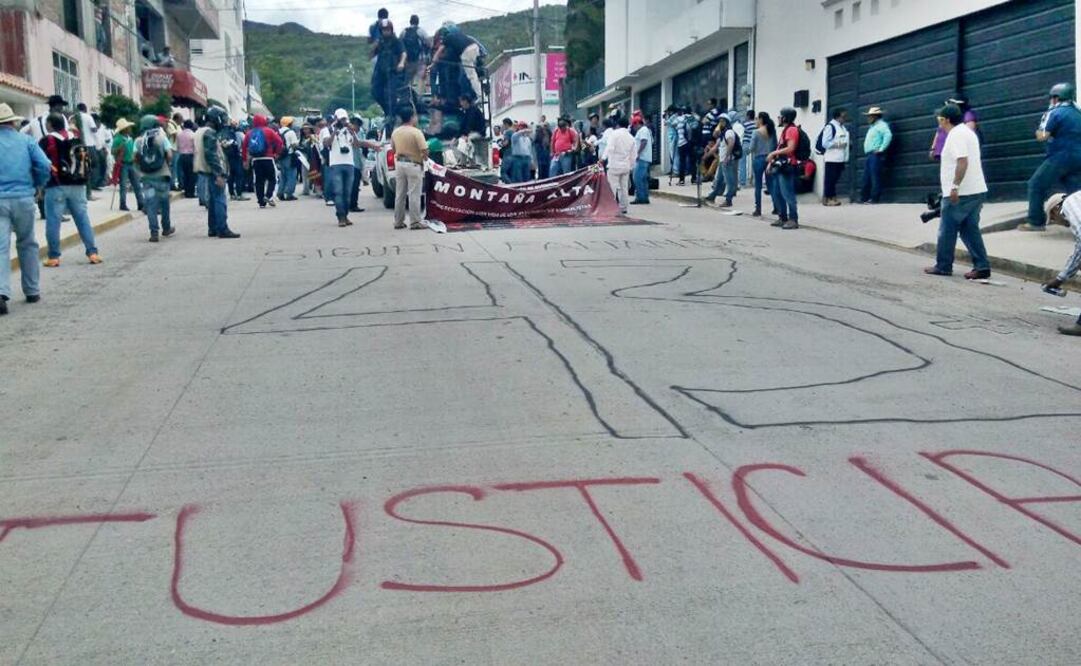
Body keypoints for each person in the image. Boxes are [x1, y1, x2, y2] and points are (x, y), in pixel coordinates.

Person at [923, 104, 991, 280]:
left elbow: (962, 161)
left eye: (940, 119)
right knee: (969, 230)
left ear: (945, 120)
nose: (938, 122)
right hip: (976, 190)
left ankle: (943, 265)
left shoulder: (955, 135)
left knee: (947, 229)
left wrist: (954, 186)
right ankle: (982, 266)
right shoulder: (967, 133)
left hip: (961, 193)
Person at [0, 103, 50, 315]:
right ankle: (32, 290)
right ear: (13, 122)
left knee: (0, 247)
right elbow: (45, 165)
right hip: (24, 197)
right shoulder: (26, 141)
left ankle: (1, 293)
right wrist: (38, 185)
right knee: (27, 243)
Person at [39, 113, 102, 266]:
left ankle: (54, 257)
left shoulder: (47, 140)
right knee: (82, 219)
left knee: (53, 222)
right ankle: (92, 252)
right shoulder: (75, 137)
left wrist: (39, 185)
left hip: (56, 185)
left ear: (50, 125)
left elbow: (40, 163)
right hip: (78, 185)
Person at [1021, 83, 1081, 232]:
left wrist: (1039, 132)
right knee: (1076, 192)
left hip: (1060, 156)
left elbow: (1043, 136)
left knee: (1036, 184)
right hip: (1078, 157)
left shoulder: (1054, 112)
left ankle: (1035, 222)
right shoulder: (1078, 113)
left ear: (1055, 98)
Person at [322, 108, 378, 227]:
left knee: (348, 192)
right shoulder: (327, 130)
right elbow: (326, 143)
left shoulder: (349, 131)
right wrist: (335, 132)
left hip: (349, 164)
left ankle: (346, 215)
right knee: (338, 192)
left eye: (345, 119)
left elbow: (357, 144)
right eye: (341, 119)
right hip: (335, 165)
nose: (343, 122)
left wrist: (353, 132)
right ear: (336, 119)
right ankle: (341, 217)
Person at [195, 106, 239, 239]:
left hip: (206, 170)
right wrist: (219, 174)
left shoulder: (201, 131)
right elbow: (211, 155)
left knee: (214, 200)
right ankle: (222, 228)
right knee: (220, 199)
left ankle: (213, 228)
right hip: (213, 171)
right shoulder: (210, 133)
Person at [1040, 192, 1081, 335]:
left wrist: (1060, 278)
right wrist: (1062, 277)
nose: (1056, 222)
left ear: (1056, 209)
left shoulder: (1070, 204)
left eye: (1052, 218)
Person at [133, 115, 174, 242]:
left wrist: (142, 167)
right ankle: (166, 228)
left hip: (146, 178)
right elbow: (169, 154)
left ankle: (154, 233)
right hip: (162, 176)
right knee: (164, 203)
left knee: (151, 205)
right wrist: (166, 164)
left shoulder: (138, 141)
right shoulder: (162, 138)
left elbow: (135, 158)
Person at [390, 106, 428, 230]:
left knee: (400, 194)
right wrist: (425, 158)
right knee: (414, 194)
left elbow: (393, 149)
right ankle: (415, 221)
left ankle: (398, 221)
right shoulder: (416, 132)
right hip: (414, 164)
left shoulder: (396, 132)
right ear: (412, 117)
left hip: (400, 164)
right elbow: (424, 150)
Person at [767, 107, 801, 230]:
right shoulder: (785, 130)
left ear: (785, 117)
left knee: (787, 193)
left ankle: (793, 218)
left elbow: (791, 148)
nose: (778, 118)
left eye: (780, 116)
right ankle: (782, 217)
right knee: (777, 192)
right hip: (780, 165)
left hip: (788, 166)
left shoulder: (791, 130)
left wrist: (772, 153)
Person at [429, 26, 482, 102]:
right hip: (475, 47)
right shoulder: (458, 35)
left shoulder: (446, 39)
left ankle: (479, 95)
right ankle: (478, 93)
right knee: (473, 74)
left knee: (471, 76)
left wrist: (433, 63)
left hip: (466, 52)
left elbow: (439, 51)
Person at [243, 114, 283, 209]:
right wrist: (277, 153)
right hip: (268, 158)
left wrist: (245, 160)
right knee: (273, 178)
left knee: (258, 181)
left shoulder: (249, 133)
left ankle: (261, 202)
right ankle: (268, 196)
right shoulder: (269, 131)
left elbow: (244, 147)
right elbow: (279, 142)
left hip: (256, 160)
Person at [859, 106, 892, 204]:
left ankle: (874, 198)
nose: (868, 118)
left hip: (876, 155)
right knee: (867, 177)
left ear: (875, 116)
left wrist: (881, 149)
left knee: (875, 177)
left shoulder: (881, 125)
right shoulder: (873, 126)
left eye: (870, 116)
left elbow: (888, 135)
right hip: (870, 155)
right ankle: (864, 198)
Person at [603, 116, 635, 215]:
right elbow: (633, 154)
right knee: (624, 187)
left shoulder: (614, 134)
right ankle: (623, 207)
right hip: (625, 166)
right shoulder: (631, 137)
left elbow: (610, 148)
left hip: (614, 165)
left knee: (612, 187)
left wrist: (603, 158)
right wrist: (630, 166)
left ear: (617, 125)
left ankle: (611, 207)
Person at [705, 115, 738, 207]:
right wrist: (706, 156)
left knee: (729, 181)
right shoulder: (723, 134)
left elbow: (731, 143)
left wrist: (727, 157)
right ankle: (712, 195)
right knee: (718, 180)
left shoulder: (729, 132)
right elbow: (714, 138)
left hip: (727, 161)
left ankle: (728, 200)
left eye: (722, 121)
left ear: (726, 122)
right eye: (719, 121)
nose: (720, 123)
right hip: (722, 161)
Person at [111, 118, 143, 212]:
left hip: (131, 163)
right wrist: (119, 149)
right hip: (123, 164)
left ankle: (140, 203)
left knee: (136, 184)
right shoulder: (117, 139)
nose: (130, 129)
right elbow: (112, 151)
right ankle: (123, 203)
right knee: (123, 185)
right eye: (128, 127)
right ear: (124, 129)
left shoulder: (130, 139)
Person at [749, 112, 777, 218]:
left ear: (761, 120)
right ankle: (776, 207)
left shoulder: (756, 132)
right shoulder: (772, 131)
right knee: (771, 184)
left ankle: (758, 209)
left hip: (758, 158)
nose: (755, 121)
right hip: (770, 158)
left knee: (758, 185)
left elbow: (751, 148)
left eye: (757, 119)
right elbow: (775, 145)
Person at [822, 108, 850, 206]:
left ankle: (833, 196)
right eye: (843, 116)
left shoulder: (842, 127)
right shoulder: (830, 127)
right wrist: (838, 145)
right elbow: (825, 143)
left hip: (840, 158)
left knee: (835, 178)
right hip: (832, 158)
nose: (845, 118)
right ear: (837, 117)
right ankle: (827, 198)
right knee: (830, 179)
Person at [74, 103, 100, 199]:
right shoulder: (88, 117)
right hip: (88, 145)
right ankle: (89, 193)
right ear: (85, 109)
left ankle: (82, 192)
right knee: (91, 167)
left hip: (77, 146)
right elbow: (94, 130)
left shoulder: (73, 117)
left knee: (80, 169)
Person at [400, 15, 431, 92]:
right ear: (418, 22)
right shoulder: (421, 31)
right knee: (421, 79)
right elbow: (429, 44)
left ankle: (408, 96)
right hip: (420, 60)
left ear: (410, 21)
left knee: (408, 80)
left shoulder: (404, 32)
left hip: (408, 61)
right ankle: (420, 96)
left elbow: (399, 44)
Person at [458, 95, 487, 167]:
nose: (460, 104)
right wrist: (461, 135)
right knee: (462, 141)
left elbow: (471, 124)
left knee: (468, 140)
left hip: (478, 132)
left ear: (465, 101)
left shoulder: (474, 110)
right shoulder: (466, 112)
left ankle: (472, 162)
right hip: (470, 133)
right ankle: (463, 162)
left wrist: (466, 135)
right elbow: (463, 126)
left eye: (461, 101)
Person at [276, 116, 300, 201]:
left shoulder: (278, 132)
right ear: (289, 123)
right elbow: (294, 145)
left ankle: (280, 193)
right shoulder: (291, 132)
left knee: (283, 175)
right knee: (292, 175)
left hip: (281, 156)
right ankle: (289, 194)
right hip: (289, 156)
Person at [631, 112, 653, 205]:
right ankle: (644, 197)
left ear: (637, 123)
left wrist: (638, 153)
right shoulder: (646, 130)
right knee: (643, 179)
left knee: (637, 178)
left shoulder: (643, 130)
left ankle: (640, 197)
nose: (634, 128)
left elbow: (644, 142)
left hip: (642, 158)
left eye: (634, 125)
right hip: (645, 158)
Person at [175, 119, 197, 198]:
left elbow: (177, 146)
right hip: (190, 156)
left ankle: (186, 191)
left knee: (184, 174)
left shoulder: (179, 135)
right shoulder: (193, 135)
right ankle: (191, 192)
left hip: (182, 155)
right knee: (192, 175)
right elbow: (195, 147)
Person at [740, 109, 755, 187]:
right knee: (755, 162)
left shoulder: (745, 124)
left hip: (746, 143)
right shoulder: (757, 124)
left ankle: (743, 182)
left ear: (748, 116)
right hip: (755, 145)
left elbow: (741, 133)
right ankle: (755, 181)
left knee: (742, 162)